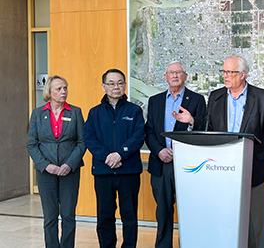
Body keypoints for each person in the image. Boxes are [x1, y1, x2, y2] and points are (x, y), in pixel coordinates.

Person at [174, 55, 264, 248]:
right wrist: (192, 121)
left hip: (251, 169)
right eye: (224, 71)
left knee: (254, 223)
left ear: (243, 75)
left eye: (230, 72)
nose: (225, 76)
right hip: (221, 169)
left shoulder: (262, 97)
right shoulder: (215, 96)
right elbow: (209, 129)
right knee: (223, 220)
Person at [145, 61, 206, 248]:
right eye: (171, 72)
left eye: (178, 72)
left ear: (185, 76)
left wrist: (191, 121)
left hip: (188, 165)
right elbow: (149, 131)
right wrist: (159, 151)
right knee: (163, 211)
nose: (175, 76)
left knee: (189, 211)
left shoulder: (197, 100)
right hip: (161, 164)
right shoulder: (154, 101)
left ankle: (190, 244)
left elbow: (204, 128)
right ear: (165, 77)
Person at [83, 69, 145, 248]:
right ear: (104, 87)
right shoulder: (95, 113)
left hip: (129, 171)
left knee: (130, 215)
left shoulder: (135, 110)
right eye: (111, 83)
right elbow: (89, 138)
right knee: (105, 215)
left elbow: (138, 136)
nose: (116, 87)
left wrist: (121, 154)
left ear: (125, 85)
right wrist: (107, 156)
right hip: (103, 171)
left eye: (119, 82)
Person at [27, 75, 86, 248]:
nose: (63, 91)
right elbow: (31, 144)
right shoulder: (38, 114)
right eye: (59, 88)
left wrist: (69, 164)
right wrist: (46, 165)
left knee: (68, 215)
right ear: (49, 92)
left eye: (65, 88)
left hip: (70, 172)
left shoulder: (75, 112)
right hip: (46, 173)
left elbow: (82, 142)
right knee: (50, 216)